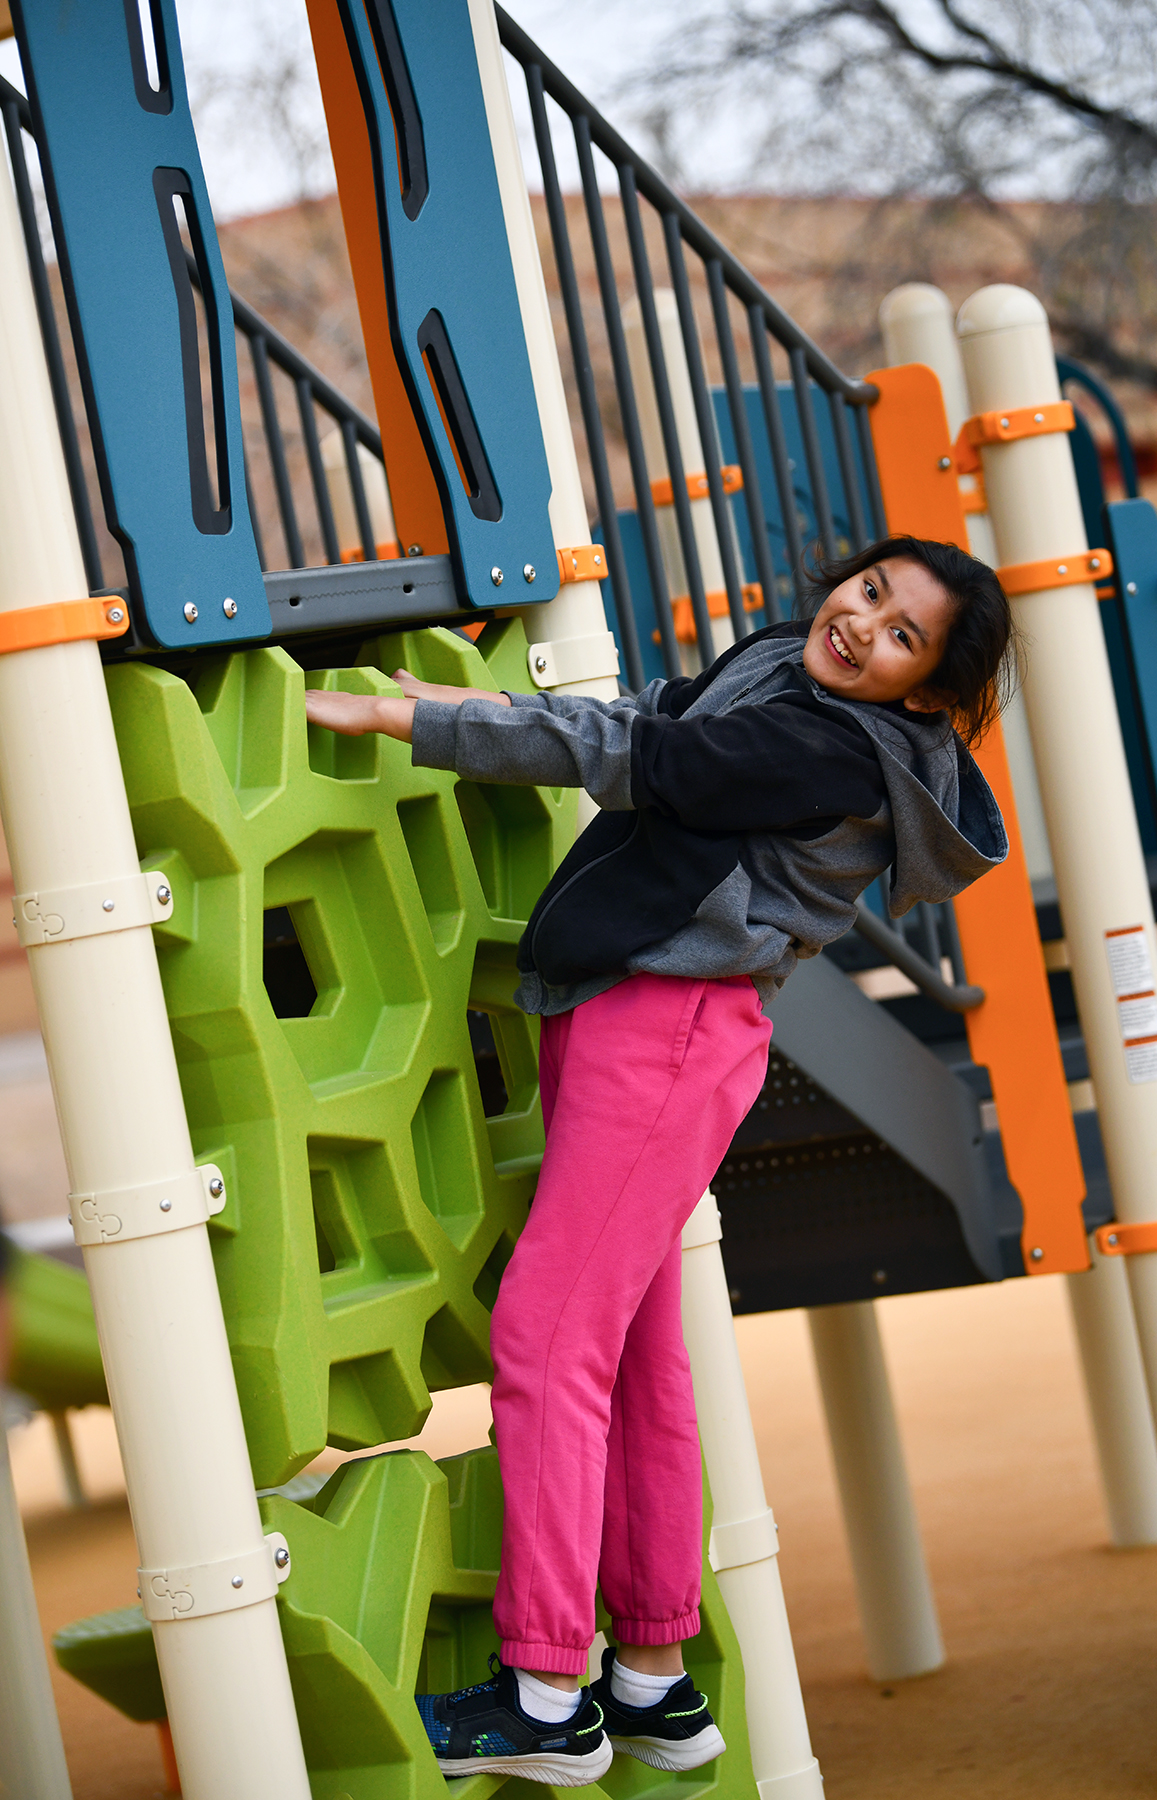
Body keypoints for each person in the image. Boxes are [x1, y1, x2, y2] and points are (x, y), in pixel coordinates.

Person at [304, 534, 1012, 1786]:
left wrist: (395, 715)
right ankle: (653, 1677)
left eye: (901, 635)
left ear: (926, 693)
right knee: (631, 1350)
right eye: (868, 593)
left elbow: (646, 758)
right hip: (629, 1008)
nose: (860, 626)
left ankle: (544, 1693)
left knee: (543, 1338)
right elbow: (645, 713)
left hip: (670, 1030)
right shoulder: (784, 673)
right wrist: (466, 703)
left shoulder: (831, 744)